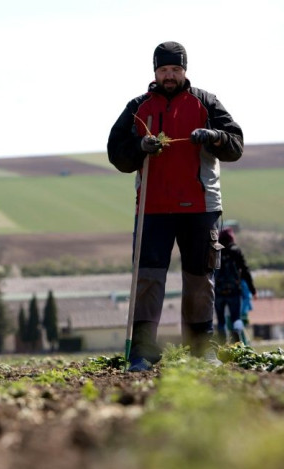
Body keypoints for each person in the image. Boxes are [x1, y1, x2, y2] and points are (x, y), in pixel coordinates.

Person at [107, 41, 244, 371]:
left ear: (185, 71)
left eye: (176, 70)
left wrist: (214, 137)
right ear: (155, 71)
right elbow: (116, 153)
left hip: (201, 206)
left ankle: (201, 349)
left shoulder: (206, 102)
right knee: (148, 279)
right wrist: (140, 145)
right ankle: (142, 350)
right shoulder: (139, 107)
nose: (170, 76)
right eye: (164, 70)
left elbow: (236, 144)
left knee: (200, 279)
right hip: (152, 207)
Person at [214, 227, 256, 345]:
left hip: (218, 291)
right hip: (234, 290)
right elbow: (245, 270)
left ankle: (222, 347)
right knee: (236, 319)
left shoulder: (216, 250)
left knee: (221, 321)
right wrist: (252, 290)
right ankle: (237, 346)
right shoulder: (236, 251)